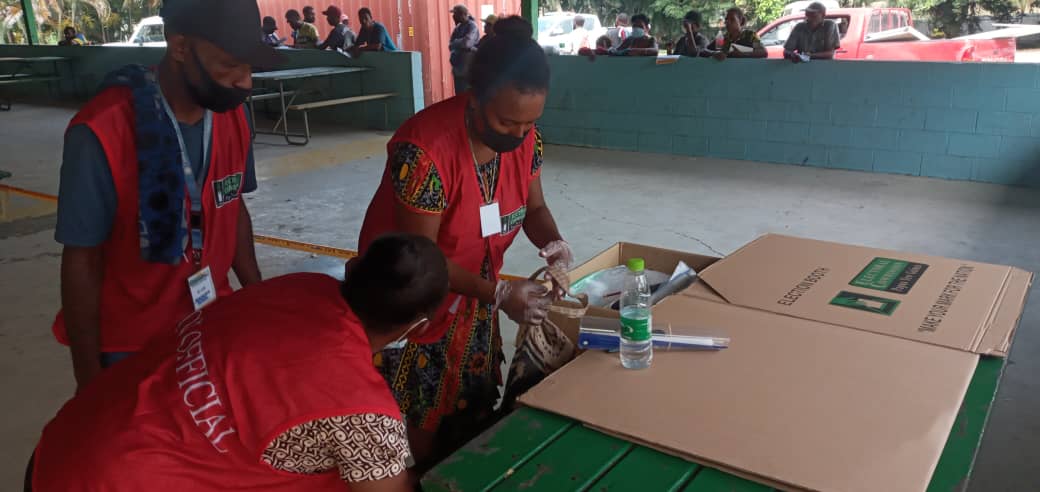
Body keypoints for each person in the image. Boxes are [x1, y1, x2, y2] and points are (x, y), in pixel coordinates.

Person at [29, 233, 447, 492]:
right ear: (417, 325)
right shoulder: (362, 413)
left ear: (352, 268)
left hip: (70, 441)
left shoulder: (298, 287)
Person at [357, 16, 570, 470]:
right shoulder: (425, 152)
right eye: (507, 121)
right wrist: (498, 293)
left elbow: (534, 210)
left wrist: (555, 243)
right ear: (475, 95)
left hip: (471, 297)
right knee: (416, 434)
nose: (518, 135)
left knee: (469, 413)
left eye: (529, 123)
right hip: (410, 307)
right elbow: (423, 261)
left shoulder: (526, 141)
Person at [52, 0, 271, 391]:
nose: (245, 82)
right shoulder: (101, 131)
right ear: (180, 46)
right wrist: (89, 383)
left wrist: (257, 298)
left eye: (250, 67)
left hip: (210, 323)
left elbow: (232, 204)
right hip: (132, 345)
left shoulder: (233, 116)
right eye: (229, 65)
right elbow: (81, 259)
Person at [449, 4, 479, 94]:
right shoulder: (458, 28)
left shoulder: (472, 26)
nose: (453, 17)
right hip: (458, 69)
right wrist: (459, 42)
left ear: (462, 15)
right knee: (459, 96)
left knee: (467, 96)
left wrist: (456, 42)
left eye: (455, 14)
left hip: (467, 69)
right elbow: (450, 45)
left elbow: (467, 43)